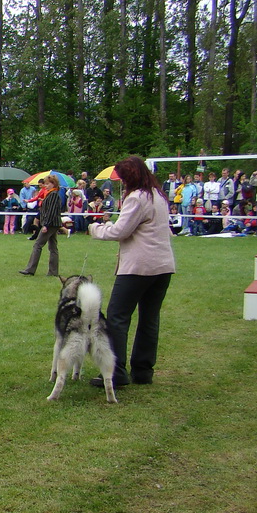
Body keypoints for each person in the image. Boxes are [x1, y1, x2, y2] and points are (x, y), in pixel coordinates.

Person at [88, 156, 175, 388]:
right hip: (163, 266)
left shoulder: (137, 198)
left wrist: (96, 228)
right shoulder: (158, 195)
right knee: (149, 318)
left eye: (124, 178)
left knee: (117, 317)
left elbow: (120, 231)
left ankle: (115, 372)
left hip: (139, 267)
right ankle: (143, 370)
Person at [19, 175, 62, 276]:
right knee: (53, 248)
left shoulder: (53, 195)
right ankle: (53, 272)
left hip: (50, 224)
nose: (45, 186)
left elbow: (51, 211)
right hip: (53, 223)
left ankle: (30, 269)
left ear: (53, 184)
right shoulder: (51, 194)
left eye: (47, 184)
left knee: (38, 245)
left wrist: (46, 225)